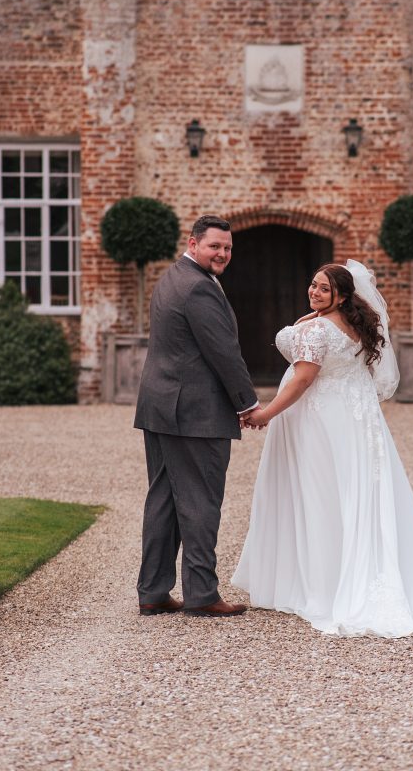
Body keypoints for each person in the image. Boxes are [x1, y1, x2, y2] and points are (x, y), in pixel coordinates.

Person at [233, 260, 413, 639]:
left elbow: (303, 379)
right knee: (349, 494)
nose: (314, 291)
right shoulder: (355, 326)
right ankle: (344, 574)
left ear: (341, 295)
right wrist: (315, 314)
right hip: (353, 421)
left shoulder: (320, 329)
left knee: (318, 496)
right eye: (313, 284)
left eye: (323, 288)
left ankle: (320, 586)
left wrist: (267, 413)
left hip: (318, 421)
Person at [134, 214, 259, 618]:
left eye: (227, 248)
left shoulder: (172, 277)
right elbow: (224, 353)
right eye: (214, 246)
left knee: (165, 499)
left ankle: (153, 591)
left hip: (160, 406)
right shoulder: (198, 289)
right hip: (193, 413)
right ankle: (202, 593)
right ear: (193, 244)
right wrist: (247, 404)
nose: (222, 253)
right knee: (201, 501)